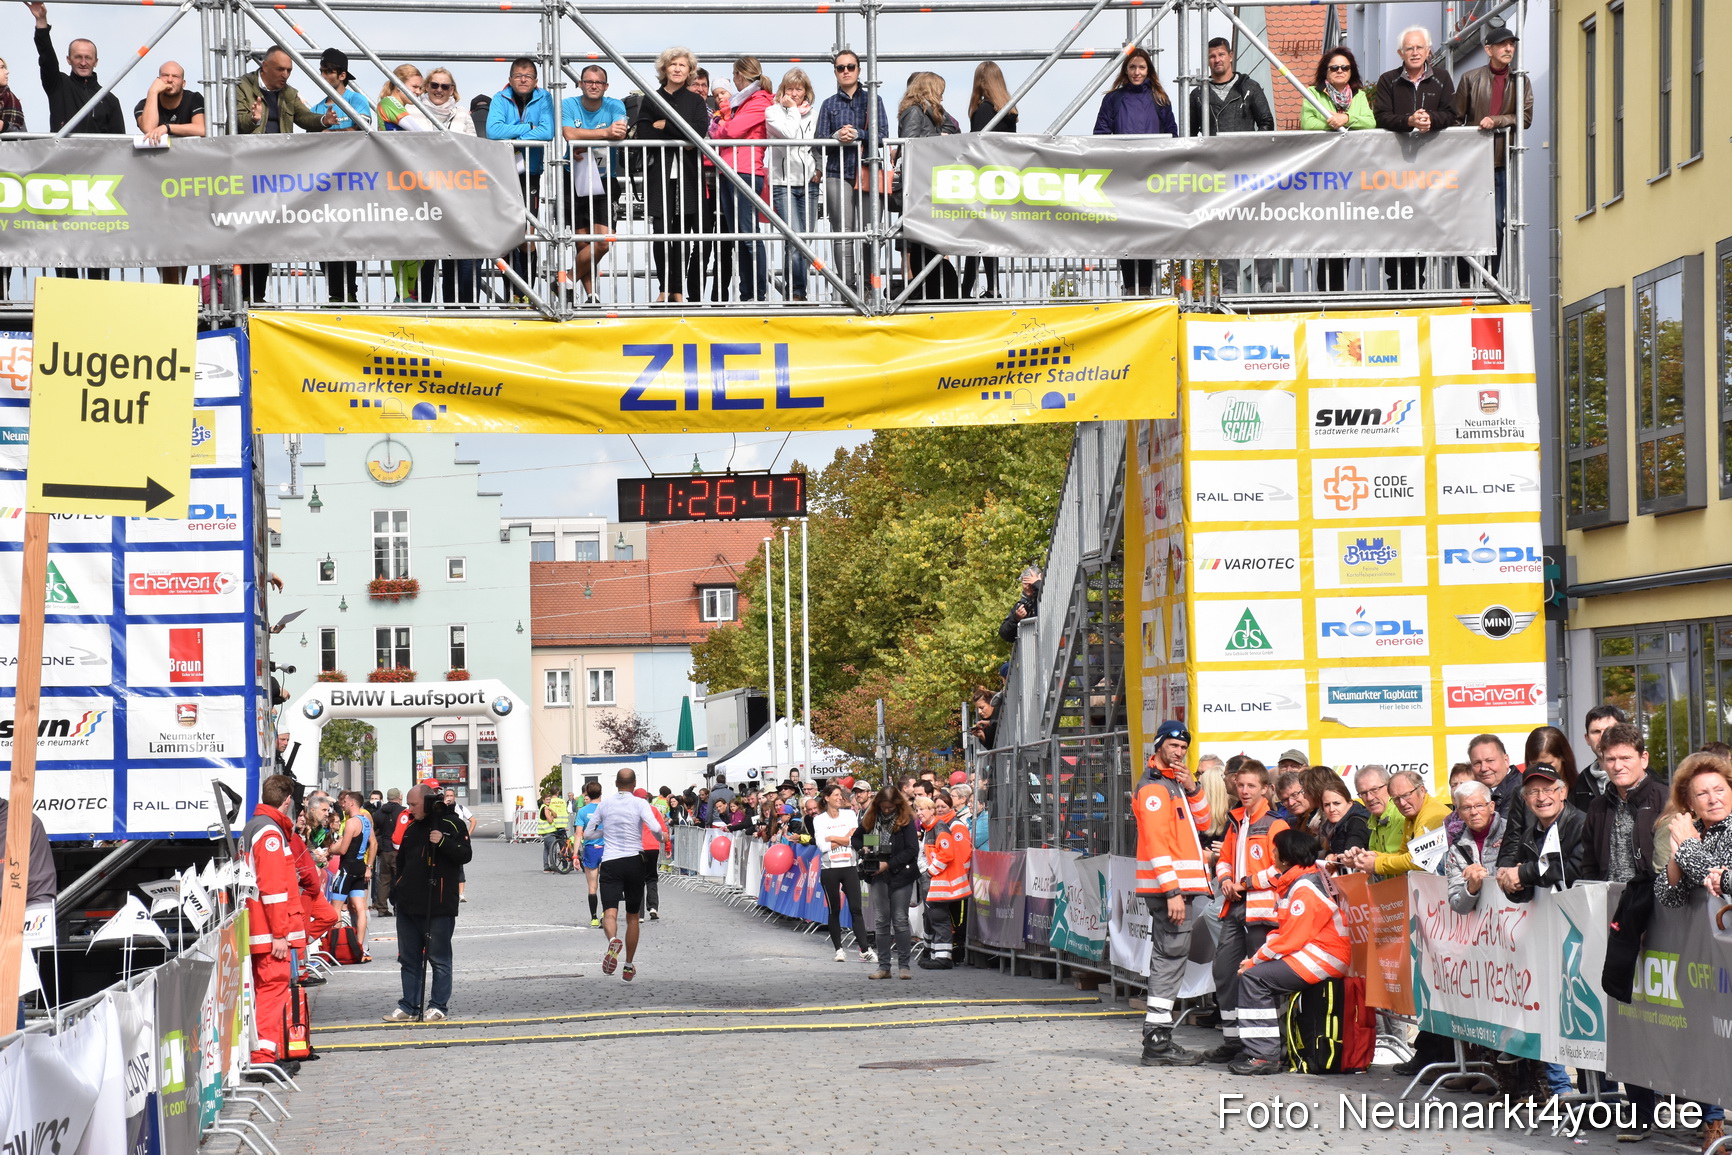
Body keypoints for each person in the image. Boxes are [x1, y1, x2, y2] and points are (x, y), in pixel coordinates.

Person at [1229, 829, 1351, 1076]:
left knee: (1255, 978)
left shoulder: (1304, 888)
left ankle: (1263, 1055)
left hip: (1324, 957)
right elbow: (1284, 933)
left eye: (1275, 850)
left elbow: (1290, 939)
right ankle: (1264, 1049)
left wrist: (1254, 961)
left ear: (1285, 858)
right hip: (1318, 953)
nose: (1272, 853)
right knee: (1258, 974)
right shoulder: (1299, 881)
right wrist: (1258, 958)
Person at [1134, 720, 1212, 1066]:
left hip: (1179, 889)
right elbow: (1156, 843)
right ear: (1160, 745)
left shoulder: (1173, 783)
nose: (1179, 752)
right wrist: (1172, 891)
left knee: (1172, 959)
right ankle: (1157, 1041)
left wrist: (1193, 787)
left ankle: (1159, 1037)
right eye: (1173, 746)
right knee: (1169, 960)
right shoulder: (1154, 787)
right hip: (1171, 891)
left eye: (1183, 747)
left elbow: (1206, 823)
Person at [1204, 758, 1286, 1066]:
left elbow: (1281, 868)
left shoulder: (1275, 824)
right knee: (1224, 971)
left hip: (1262, 912)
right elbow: (1224, 858)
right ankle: (1233, 1039)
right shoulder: (1236, 820)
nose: (1245, 790)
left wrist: (1246, 882)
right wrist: (1225, 880)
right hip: (1235, 906)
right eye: (1240, 785)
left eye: (1251, 785)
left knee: (1258, 977)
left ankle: (1269, 1044)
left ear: (1265, 788)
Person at [236, 46, 331, 302]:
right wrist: (255, 120)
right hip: (249, 172)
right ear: (264, 66)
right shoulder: (242, 87)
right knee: (252, 234)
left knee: (272, 234)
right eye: (281, 69)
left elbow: (304, 117)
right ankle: (248, 297)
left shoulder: (289, 93)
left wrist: (324, 121)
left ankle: (257, 297)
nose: (286, 74)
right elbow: (238, 122)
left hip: (280, 173)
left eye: (289, 69)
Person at [1189, 37, 1275, 294]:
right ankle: (1229, 286)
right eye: (1212, 56)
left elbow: (1267, 124)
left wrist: (1253, 151)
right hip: (1217, 173)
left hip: (1250, 172)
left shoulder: (1249, 87)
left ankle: (1266, 283)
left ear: (1230, 55)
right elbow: (1191, 135)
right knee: (1227, 228)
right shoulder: (1198, 95)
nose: (1217, 60)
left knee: (1258, 223)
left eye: (1220, 54)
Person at [1372, 26, 1456, 289]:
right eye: (1410, 48)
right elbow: (1381, 116)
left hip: (1429, 169)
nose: (1415, 52)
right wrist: (1408, 121)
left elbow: (1452, 114)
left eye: (1420, 47)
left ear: (1429, 50)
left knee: (1421, 225)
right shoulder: (1388, 80)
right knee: (1394, 224)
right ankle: (1395, 286)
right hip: (1394, 167)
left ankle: (1415, 286)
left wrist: (1430, 120)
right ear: (1401, 53)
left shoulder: (1442, 77)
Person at [384, 784, 471, 1022]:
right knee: (409, 959)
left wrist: (443, 842)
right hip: (409, 905)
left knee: (439, 958)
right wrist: (396, 891)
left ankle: (438, 1005)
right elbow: (401, 863)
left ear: (427, 802)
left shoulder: (452, 824)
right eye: (409, 805)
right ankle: (409, 1005)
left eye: (413, 805)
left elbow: (465, 855)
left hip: (439, 904)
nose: (410, 810)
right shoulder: (411, 828)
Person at [1453, 24, 1531, 283]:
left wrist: (1495, 120)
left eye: (1512, 44)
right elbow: (1456, 119)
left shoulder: (1520, 80)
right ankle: (1465, 279)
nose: (1509, 48)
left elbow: (1525, 118)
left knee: (1497, 222)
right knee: (1466, 221)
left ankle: (1490, 276)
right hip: (1471, 163)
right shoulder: (1470, 78)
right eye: (1502, 44)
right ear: (1488, 50)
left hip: (1498, 161)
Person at [241, 774, 308, 1077]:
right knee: (272, 987)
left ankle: (265, 1051)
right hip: (268, 931)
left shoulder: (255, 827)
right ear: (287, 801)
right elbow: (273, 888)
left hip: (259, 927)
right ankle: (263, 1055)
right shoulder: (270, 832)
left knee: (265, 988)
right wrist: (280, 933)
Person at [1093, 46, 1172, 297]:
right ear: (1125, 70)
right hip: (1123, 176)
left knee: (1147, 229)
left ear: (1149, 70)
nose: (1137, 72)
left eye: (1141, 67)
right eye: (1132, 67)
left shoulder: (1160, 98)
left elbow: (1172, 134)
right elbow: (1101, 134)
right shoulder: (1113, 99)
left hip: (1151, 175)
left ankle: (1146, 285)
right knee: (1126, 229)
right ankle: (1129, 285)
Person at [636, 47, 708, 303]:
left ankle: (678, 292)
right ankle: (665, 287)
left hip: (688, 177)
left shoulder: (696, 101)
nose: (678, 69)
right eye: (673, 64)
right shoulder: (652, 99)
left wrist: (666, 124)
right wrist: (681, 134)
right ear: (664, 68)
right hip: (660, 175)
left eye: (683, 65)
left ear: (689, 71)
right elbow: (644, 133)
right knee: (661, 232)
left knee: (682, 235)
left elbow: (697, 135)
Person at [815, 48, 889, 295]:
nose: (845, 71)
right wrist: (836, 137)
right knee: (842, 233)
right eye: (840, 68)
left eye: (850, 67)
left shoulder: (873, 100)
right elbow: (819, 140)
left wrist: (860, 134)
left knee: (871, 232)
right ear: (835, 72)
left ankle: (870, 287)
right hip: (838, 171)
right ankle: (846, 287)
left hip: (867, 170)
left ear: (859, 70)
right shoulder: (828, 104)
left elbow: (883, 137)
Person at [1301, 46, 1374, 291]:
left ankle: (1341, 293)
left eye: (1345, 67)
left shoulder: (1360, 96)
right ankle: (1327, 295)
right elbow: (1308, 123)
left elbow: (1371, 122)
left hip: (1353, 174)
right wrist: (1331, 120)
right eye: (1335, 67)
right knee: (1328, 238)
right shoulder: (1313, 93)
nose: (1340, 71)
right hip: (1326, 174)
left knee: (1349, 235)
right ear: (1326, 71)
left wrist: (1347, 119)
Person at [583, 768, 664, 981]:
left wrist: (605, 831)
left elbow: (589, 833)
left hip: (610, 861)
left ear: (616, 783)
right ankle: (628, 965)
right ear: (634, 784)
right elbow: (655, 827)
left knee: (609, 912)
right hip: (634, 861)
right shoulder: (640, 803)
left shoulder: (605, 804)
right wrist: (662, 838)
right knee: (633, 917)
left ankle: (612, 941)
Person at [560, 65, 628, 302]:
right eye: (588, 81)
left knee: (604, 241)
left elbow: (619, 133)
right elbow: (569, 133)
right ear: (580, 84)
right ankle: (592, 296)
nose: (593, 85)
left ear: (606, 86)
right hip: (574, 175)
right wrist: (604, 133)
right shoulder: (569, 104)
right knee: (583, 243)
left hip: (605, 179)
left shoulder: (615, 105)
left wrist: (585, 137)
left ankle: (566, 278)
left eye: (598, 82)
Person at [709, 56, 774, 302]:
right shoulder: (744, 101)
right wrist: (724, 125)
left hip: (745, 171)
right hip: (731, 170)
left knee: (748, 234)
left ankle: (756, 293)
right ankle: (749, 293)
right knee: (740, 236)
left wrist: (721, 126)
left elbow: (731, 131)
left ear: (739, 75)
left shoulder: (759, 100)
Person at [488, 57, 556, 292]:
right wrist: (527, 129)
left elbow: (548, 132)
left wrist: (512, 136)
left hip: (531, 175)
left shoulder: (545, 97)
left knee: (528, 235)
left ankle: (526, 292)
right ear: (510, 79)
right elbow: (493, 131)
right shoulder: (499, 97)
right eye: (518, 75)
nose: (523, 80)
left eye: (527, 76)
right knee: (506, 236)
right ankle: (511, 294)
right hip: (503, 173)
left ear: (536, 80)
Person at [961, 60, 1016, 299]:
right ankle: (989, 288)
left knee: (977, 236)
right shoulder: (1009, 112)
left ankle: (967, 290)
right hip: (1002, 179)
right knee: (985, 236)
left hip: (984, 179)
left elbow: (978, 146)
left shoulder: (984, 110)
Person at [764, 67, 819, 302]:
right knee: (794, 239)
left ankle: (796, 290)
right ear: (782, 90)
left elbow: (818, 144)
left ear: (806, 91)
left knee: (804, 241)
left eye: (799, 89)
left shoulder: (815, 114)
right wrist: (793, 111)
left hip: (809, 184)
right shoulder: (772, 112)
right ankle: (797, 294)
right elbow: (788, 133)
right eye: (790, 88)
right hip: (783, 184)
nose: (795, 93)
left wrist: (819, 168)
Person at [1339, 769, 1448, 878]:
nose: (1402, 803)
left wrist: (1376, 864)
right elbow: (1402, 854)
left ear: (1422, 790)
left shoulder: (1431, 814)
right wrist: (1371, 856)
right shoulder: (1412, 815)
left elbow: (1418, 859)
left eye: (1406, 795)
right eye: (1396, 799)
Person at [862, 784, 920, 979]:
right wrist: (866, 849)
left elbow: (912, 849)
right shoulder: (871, 818)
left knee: (900, 919)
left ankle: (904, 966)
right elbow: (857, 838)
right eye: (884, 807)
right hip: (878, 874)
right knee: (881, 920)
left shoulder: (906, 820)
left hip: (901, 874)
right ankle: (884, 966)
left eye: (890, 807)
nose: (887, 811)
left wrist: (889, 863)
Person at [812, 784, 874, 962]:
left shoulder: (849, 814)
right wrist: (842, 839)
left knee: (856, 909)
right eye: (837, 795)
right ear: (827, 798)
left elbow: (853, 840)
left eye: (841, 795)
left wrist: (832, 837)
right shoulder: (819, 820)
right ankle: (839, 949)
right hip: (830, 868)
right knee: (834, 910)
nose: (840, 798)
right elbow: (822, 846)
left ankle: (864, 949)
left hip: (849, 866)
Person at [919, 789, 972, 970]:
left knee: (944, 920)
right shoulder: (933, 827)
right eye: (917, 810)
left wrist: (930, 872)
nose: (918, 813)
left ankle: (944, 956)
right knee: (934, 918)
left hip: (946, 882)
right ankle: (935, 953)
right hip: (941, 882)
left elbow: (951, 855)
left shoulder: (949, 826)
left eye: (922, 810)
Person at [1442, 780, 1506, 913]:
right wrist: (1471, 887)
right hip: (1486, 927)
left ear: (1491, 806)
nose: (1474, 812)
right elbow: (1457, 905)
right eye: (1466, 807)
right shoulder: (1457, 849)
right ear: (1459, 813)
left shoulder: (1512, 832)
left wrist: (1487, 875)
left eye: (1479, 805)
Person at [331, 791, 374, 958]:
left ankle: (336, 946)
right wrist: (368, 866)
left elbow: (342, 849)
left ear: (352, 803)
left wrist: (330, 849)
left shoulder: (351, 823)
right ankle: (360, 947)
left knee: (336, 908)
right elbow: (373, 843)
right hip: (360, 867)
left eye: (345, 802)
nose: (343, 804)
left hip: (347, 868)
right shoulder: (366, 821)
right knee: (360, 908)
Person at [1576, 704, 1629, 813]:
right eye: (1596, 732)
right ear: (1587, 739)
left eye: (1609, 730)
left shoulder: (1645, 777)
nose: (1603, 737)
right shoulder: (1581, 783)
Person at [0, 58, 21, 303]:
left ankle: (3, 296)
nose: (6, 72)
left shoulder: (11, 99)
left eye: (6, 67)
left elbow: (18, 131)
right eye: (1, 68)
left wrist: (5, 125)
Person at [634, 786, 669, 919]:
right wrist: (667, 847)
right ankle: (653, 907)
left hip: (638, 847)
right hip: (653, 847)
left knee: (638, 879)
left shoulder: (632, 810)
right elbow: (663, 829)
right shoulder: (653, 810)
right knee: (652, 877)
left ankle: (639, 912)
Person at [1317, 775, 1371, 859]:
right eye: (1327, 805)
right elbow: (1336, 848)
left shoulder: (1357, 822)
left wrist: (1335, 859)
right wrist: (1329, 854)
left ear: (1350, 803)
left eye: (1337, 803)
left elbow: (1351, 854)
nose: (1331, 809)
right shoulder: (1330, 826)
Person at [573, 781, 604, 924]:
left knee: (592, 886)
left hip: (591, 850)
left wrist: (575, 855)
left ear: (587, 794)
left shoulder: (583, 811)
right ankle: (606, 911)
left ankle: (594, 917)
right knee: (607, 883)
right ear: (601, 793)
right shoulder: (607, 809)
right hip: (607, 849)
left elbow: (578, 834)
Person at [370, 788, 404, 917]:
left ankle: (382, 908)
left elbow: (374, 830)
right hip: (398, 850)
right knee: (400, 879)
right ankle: (399, 906)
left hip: (384, 850)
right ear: (399, 797)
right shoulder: (403, 812)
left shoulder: (378, 813)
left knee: (383, 880)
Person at [443, 788, 476, 901]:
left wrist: (468, 834)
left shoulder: (460, 808)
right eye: (447, 795)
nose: (449, 797)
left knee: (459, 868)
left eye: (451, 795)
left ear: (455, 797)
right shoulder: (441, 808)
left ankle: (461, 894)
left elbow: (473, 820)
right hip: (445, 841)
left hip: (457, 842)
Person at [997, 565, 1043, 643]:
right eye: (1025, 583)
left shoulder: (1045, 595)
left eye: (1031, 583)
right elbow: (1004, 633)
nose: (1028, 587)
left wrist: (1038, 584)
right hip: (1031, 649)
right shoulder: (1022, 605)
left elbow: (1050, 597)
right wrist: (1016, 619)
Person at [538, 789, 569, 872]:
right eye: (547, 800)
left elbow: (555, 814)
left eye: (549, 799)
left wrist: (552, 810)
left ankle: (546, 866)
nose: (549, 801)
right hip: (549, 831)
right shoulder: (545, 808)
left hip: (546, 832)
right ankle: (552, 866)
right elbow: (550, 820)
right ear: (543, 800)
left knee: (546, 850)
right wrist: (552, 815)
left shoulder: (547, 808)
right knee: (552, 850)